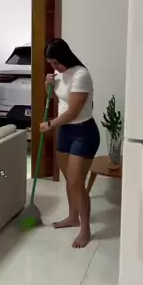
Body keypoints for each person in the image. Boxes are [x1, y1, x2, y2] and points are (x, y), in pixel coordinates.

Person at [40, 38, 100, 248]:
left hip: (83, 132)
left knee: (76, 182)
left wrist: (50, 124)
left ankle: (85, 229)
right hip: (65, 131)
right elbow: (61, 99)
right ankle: (73, 217)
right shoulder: (60, 74)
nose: (54, 67)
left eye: (56, 62)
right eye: (51, 63)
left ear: (64, 57)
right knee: (69, 180)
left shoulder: (81, 75)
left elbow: (73, 112)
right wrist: (49, 85)